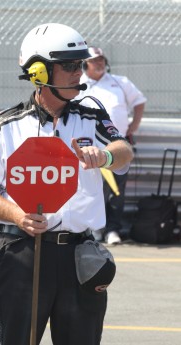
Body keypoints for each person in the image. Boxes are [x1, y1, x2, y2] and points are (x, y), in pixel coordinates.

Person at [0, 23, 133, 345]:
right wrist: (17, 215)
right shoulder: (6, 126)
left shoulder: (91, 114)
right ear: (39, 71)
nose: (77, 73)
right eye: (69, 65)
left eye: (80, 64)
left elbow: (124, 151)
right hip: (20, 254)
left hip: (80, 255)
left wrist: (105, 157)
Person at [75, 46, 146, 244]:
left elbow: (139, 101)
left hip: (117, 148)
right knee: (91, 189)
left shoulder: (120, 82)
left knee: (117, 191)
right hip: (88, 149)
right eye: (95, 60)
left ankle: (112, 230)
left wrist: (134, 124)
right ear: (85, 64)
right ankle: (93, 230)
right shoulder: (78, 84)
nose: (99, 63)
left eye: (102, 59)